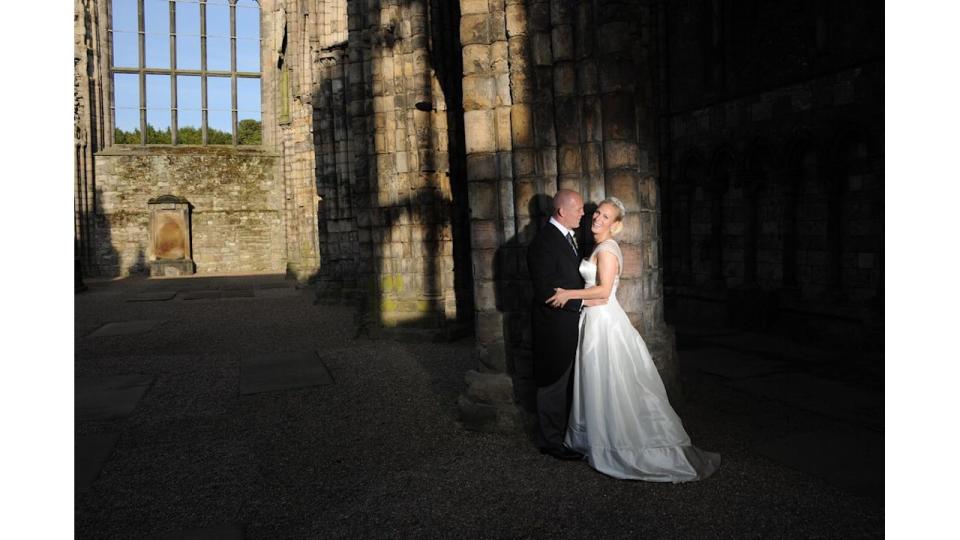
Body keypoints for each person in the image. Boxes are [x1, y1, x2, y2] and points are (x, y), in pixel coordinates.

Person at [546, 197, 720, 481]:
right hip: (593, 320)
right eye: (597, 213)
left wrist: (567, 294)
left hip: (604, 322)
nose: (597, 218)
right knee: (597, 381)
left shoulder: (608, 250)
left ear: (615, 226)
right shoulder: (597, 247)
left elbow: (602, 292)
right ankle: (595, 438)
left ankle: (619, 444)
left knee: (610, 381)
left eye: (605, 217)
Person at [526, 189, 604, 460]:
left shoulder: (568, 238)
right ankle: (550, 442)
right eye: (579, 209)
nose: (583, 214)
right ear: (562, 211)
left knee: (569, 382)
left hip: (571, 324)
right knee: (553, 382)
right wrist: (582, 303)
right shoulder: (543, 243)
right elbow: (545, 291)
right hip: (554, 328)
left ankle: (567, 435)